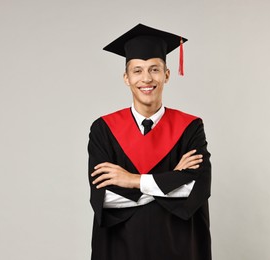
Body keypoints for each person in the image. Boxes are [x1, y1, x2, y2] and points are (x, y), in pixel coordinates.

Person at [88, 23, 212, 260]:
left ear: (166, 75)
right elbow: (105, 198)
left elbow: (198, 188)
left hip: (178, 246)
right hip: (121, 248)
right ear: (126, 78)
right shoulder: (103, 130)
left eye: (155, 69)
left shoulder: (191, 127)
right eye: (137, 70)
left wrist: (132, 180)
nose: (146, 78)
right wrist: (170, 181)